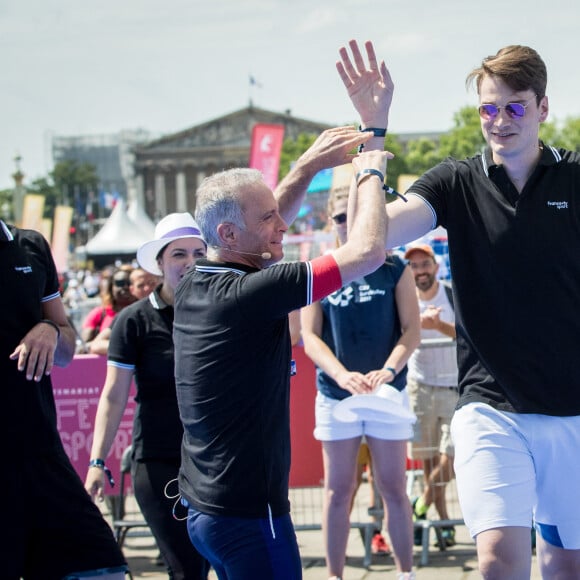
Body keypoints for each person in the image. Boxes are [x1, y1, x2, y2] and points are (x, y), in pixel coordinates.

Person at [338, 40, 580, 578]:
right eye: (488, 109)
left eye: (514, 107)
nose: (499, 121)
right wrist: (372, 137)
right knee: (497, 561)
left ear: (543, 108)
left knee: (565, 566)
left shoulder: (575, 177)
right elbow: (368, 238)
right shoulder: (454, 182)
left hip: (571, 411)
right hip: (489, 409)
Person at [173, 119, 394, 577]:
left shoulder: (198, 279)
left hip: (208, 507)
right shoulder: (255, 290)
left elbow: (265, 228)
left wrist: (307, 166)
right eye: (268, 218)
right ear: (230, 236)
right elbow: (369, 252)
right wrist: (371, 171)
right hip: (247, 514)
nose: (282, 227)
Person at [300, 186, 420, 580]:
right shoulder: (318, 270)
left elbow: (411, 330)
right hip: (337, 395)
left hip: (387, 393)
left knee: (393, 488)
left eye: (355, 216)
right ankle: (335, 574)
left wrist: (389, 369)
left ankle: (406, 572)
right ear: (329, 222)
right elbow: (310, 336)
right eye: (339, 217)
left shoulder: (394, 269)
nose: (348, 224)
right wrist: (341, 374)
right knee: (338, 490)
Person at [0, 219, 127, 579]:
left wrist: (50, 329)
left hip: (41, 456)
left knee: (104, 566)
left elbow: (68, 346)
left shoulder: (29, 245)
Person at [85, 212, 210, 580]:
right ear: (159, 262)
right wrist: (96, 462)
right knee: (187, 570)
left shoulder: (224, 312)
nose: (191, 262)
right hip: (159, 463)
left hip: (219, 464)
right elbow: (113, 396)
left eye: (199, 253)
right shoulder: (134, 321)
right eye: (179, 254)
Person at [404, 243, 458, 548]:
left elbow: (466, 334)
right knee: (426, 462)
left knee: (450, 456)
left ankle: (421, 503)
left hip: (453, 386)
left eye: (425, 265)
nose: (420, 271)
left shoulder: (451, 293)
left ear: (436, 267)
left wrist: (438, 325)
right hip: (419, 386)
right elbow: (399, 338)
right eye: (414, 266)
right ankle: (444, 522)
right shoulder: (405, 298)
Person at [87, 267, 160, 356]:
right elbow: (97, 345)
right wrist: (136, 348)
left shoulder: (173, 309)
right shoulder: (127, 314)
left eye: (151, 283)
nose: (147, 288)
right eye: (140, 285)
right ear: (132, 289)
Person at [81, 264, 136, 346]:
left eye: (129, 283)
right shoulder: (98, 313)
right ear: (111, 287)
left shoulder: (145, 312)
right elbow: (86, 344)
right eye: (120, 283)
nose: (125, 287)